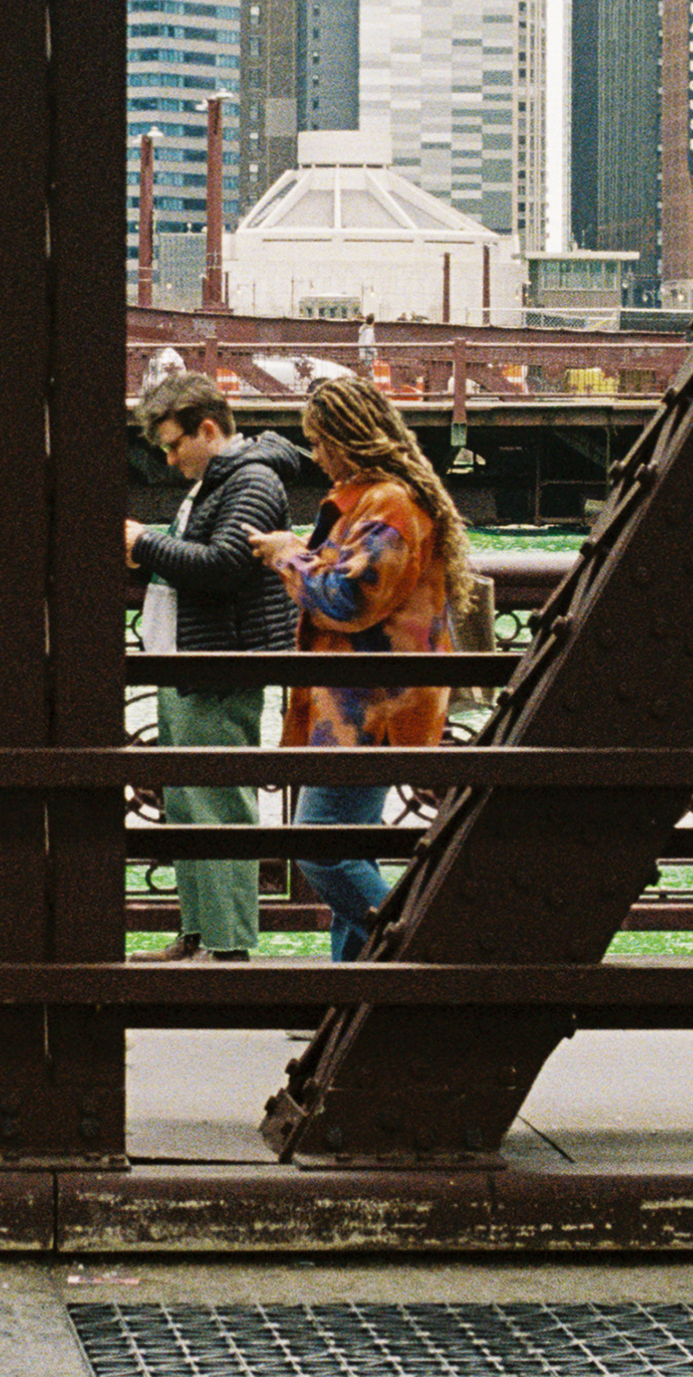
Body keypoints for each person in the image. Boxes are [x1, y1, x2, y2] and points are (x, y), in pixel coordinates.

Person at [251, 374, 465, 961]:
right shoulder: (382, 500)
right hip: (366, 702)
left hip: (367, 708)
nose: (315, 456)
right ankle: (354, 990)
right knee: (350, 845)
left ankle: (413, 955)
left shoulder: (389, 503)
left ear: (348, 439)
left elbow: (349, 599)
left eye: (319, 442)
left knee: (322, 846)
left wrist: (286, 555)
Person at [124, 373, 301, 963]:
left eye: (176, 445)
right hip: (190, 662)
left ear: (208, 428)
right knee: (188, 802)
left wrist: (144, 544)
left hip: (218, 665)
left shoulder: (250, 479)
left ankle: (226, 949)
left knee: (218, 803)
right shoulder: (218, 480)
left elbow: (225, 565)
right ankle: (201, 935)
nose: (170, 459)